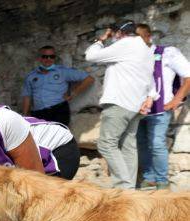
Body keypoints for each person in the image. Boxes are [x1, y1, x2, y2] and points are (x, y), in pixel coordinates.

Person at [85, 19, 159, 189]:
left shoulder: (124, 44)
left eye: (113, 33)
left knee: (106, 144)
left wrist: (101, 39)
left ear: (118, 33)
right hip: (136, 104)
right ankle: (129, 188)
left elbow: (91, 55)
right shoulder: (144, 48)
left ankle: (124, 185)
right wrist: (150, 96)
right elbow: (150, 76)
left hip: (120, 103)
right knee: (128, 145)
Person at [135, 24, 190, 190]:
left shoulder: (167, 52)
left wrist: (175, 101)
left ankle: (162, 182)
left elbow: (188, 76)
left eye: (139, 39)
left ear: (149, 37)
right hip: (137, 110)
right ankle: (148, 178)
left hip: (160, 109)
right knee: (142, 144)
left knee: (156, 144)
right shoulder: (133, 56)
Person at [21, 45, 95, 126]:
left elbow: (89, 79)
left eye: (51, 56)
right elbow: (27, 96)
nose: (48, 59)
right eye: (45, 56)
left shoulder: (63, 72)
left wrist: (73, 93)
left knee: (60, 137)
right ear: (39, 58)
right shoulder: (31, 76)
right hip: (39, 113)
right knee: (41, 138)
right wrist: (25, 116)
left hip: (59, 111)